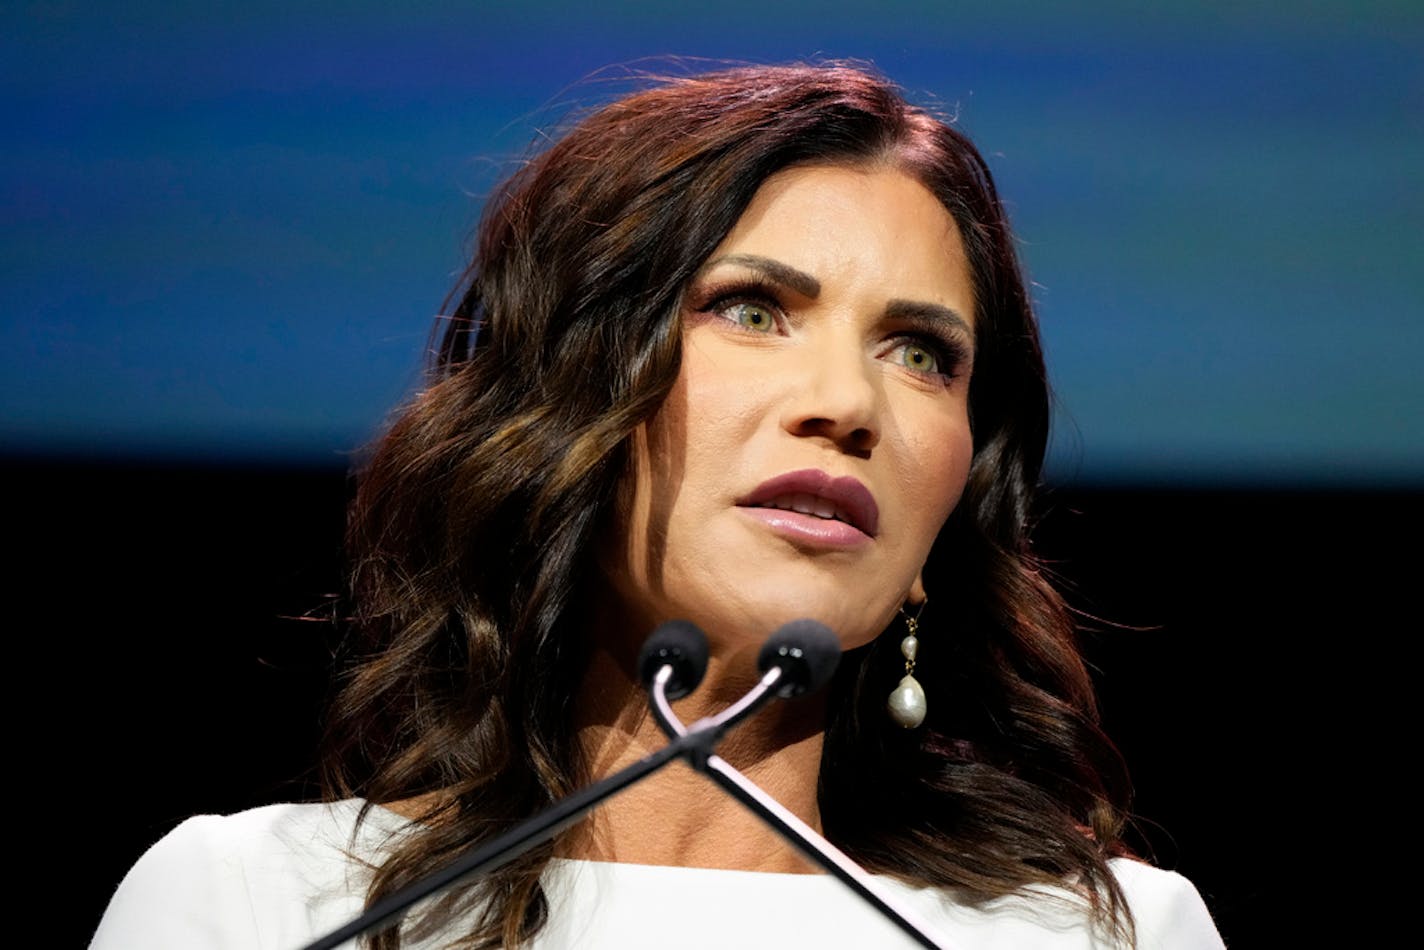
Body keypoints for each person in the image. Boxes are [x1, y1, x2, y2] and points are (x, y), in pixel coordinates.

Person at [92, 63, 1225, 949]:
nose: (846, 404)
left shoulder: (1094, 933)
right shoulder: (260, 906)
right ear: (566, 408)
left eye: (921, 352)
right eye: (750, 309)